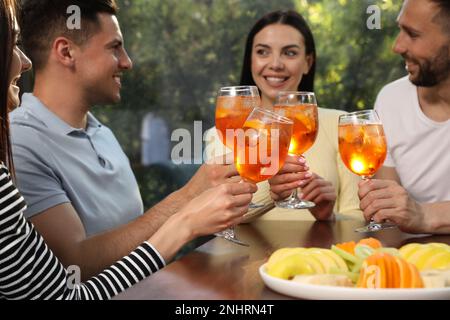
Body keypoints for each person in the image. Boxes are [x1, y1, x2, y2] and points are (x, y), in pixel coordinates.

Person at [0, 0, 255, 299]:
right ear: (66, 52)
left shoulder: (102, 132)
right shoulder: (19, 140)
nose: (127, 62)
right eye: (115, 47)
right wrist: (186, 201)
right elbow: (70, 271)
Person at [206, 10, 362, 222]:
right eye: (263, 52)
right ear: (250, 60)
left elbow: (359, 220)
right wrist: (275, 195)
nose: (276, 64)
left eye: (289, 53)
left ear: (308, 62)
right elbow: (216, 218)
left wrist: (329, 216)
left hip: (318, 255)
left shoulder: (339, 124)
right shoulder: (223, 132)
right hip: (246, 256)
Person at [359, 0, 450, 234]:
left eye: (412, 34)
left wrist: (424, 215)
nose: (397, 46)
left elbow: (413, 215)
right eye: (400, 30)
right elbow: (390, 214)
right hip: (416, 259)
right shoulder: (391, 100)